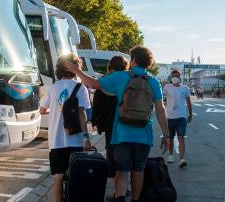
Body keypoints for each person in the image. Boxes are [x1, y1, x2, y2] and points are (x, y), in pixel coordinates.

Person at [64, 45, 169, 202]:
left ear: (133, 60)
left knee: (122, 169)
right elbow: (160, 110)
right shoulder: (154, 81)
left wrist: (76, 71)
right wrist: (166, 135)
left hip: (122, 134)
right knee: (138, 170)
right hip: (144, 134)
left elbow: (93, 84)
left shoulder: (121, 76)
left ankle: (120, 198)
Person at [40, 53, 91, 202]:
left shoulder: (53, 88)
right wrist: (86, 139)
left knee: (57, 176)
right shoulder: (80, 88)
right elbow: (82, 115)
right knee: (76, 175)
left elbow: (42, 110)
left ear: (58, 69)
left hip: (56, 140)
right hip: (76, 140)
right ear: (76, 68)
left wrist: (55, 109)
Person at [91, 55, 129, 201]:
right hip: (127, 125)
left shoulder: (104, 82)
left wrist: (95, 121)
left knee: (112, 159)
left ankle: (117, 192)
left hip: (110, 127)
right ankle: (124, 188)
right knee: (125, 157)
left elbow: (97, 104)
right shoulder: (128, 80)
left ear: (110, 67)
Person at [163, 70, 192, 168]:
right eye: (173, 76)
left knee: (181, 138)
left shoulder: (185, 88)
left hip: (181, 117)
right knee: (170, 138)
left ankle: (182, 159)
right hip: (170, 117)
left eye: (177, 76)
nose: (175, 77)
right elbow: (161, 97)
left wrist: (190, 114)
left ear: (180, 77)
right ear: (171, 77)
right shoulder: (167, 87)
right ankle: (170, 155)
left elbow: (188, 102)